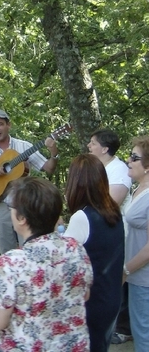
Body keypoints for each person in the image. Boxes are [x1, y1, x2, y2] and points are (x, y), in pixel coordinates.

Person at [0, 176, 93, 351]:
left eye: (10, 206)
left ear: (21, 218)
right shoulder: (76, 249)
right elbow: (84, 295)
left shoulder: (12, 263)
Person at [0, 109, 59, 253]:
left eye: (0, 124)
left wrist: (53, 152)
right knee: (6, 251)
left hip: (24, 205)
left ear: (9, 125)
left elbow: (49, 168)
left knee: (29, 248)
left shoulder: (24, 147)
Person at [64, 153, 124, 352]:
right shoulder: (114, 211)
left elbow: (65, 262)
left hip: (92, 302)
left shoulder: (82, 217)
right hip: (112, 296)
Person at [87, 128, 133, 344]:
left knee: (119, 277)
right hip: (100, 229)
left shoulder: (119, 170)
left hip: (116, 231)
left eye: (93, 143)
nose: (89, 146)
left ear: (104, 148)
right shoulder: (100, 168)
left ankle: (123, 327)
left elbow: (111, 204)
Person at [123, 136, 149, 352]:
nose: (128, 161)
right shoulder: (137, 190)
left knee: (144, 335)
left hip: (144, 279)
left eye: (134, 157)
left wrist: (126, 270)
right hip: (136, 276)